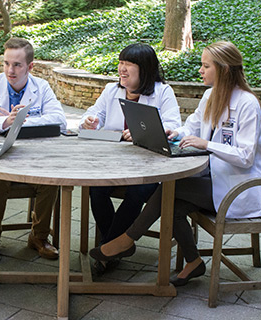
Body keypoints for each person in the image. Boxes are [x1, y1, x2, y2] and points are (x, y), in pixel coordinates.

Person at [89, 41, 261, 286]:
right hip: (213, 178)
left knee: (169, 191)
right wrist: (174, 131)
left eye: (206, 66)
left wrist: (206, 144)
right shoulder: (210, 95)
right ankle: (193, 262)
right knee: (171, 200)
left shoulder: (247, 104)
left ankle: (125, 240)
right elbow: (190, 127)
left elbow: (246, 156)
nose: (200, 71)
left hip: (237, 187)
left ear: (224, 69)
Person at [79, 43, 181, 273]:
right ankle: (116, 246)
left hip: (148, 166)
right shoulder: (111, 90)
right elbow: (94, 113)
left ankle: (107, 249)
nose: (121, 70)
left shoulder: (162, 92)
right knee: (96, 189)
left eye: (128, 65)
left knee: (139, 192)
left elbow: (173, 125)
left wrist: (142, 131)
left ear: (144, 69)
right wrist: (90, 121)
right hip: (113, 164)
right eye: (120, 63)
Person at [0, 37, 67, 261]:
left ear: (30, 67)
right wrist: (4, 123)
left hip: (33, 157)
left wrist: (19, 120)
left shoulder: (41, 87)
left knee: (50, 177)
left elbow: (59, 120)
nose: (10, 70)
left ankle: (39, 237)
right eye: (6, 63)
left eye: (17, 65)